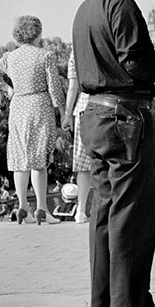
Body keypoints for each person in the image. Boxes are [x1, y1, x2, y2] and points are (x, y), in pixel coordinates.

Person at [72, 0, 155, 307]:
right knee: (133, 211)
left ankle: (103, 299)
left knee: (103, 208)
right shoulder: (121, 4)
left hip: (95, 116)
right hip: (126, 118)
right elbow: (133, 60)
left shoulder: (86, 7)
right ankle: (133, 302)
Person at [0, 15, 66, 225]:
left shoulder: (10, 57)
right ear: (37, 32)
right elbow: (55, 89)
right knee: (38, 159)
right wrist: (63, 112)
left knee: (20, 157)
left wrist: (7, 89)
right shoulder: (45, 56)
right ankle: (41, 209)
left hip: (18, 106)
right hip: (40, 105)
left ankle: (22, 208)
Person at [62, 51, 91, 223]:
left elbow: (73, 87)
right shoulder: (108, 39)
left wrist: (67, 114)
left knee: (83, 163)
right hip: (108, 102)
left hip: (83, 106)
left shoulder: (77, 50)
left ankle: (80, 209)